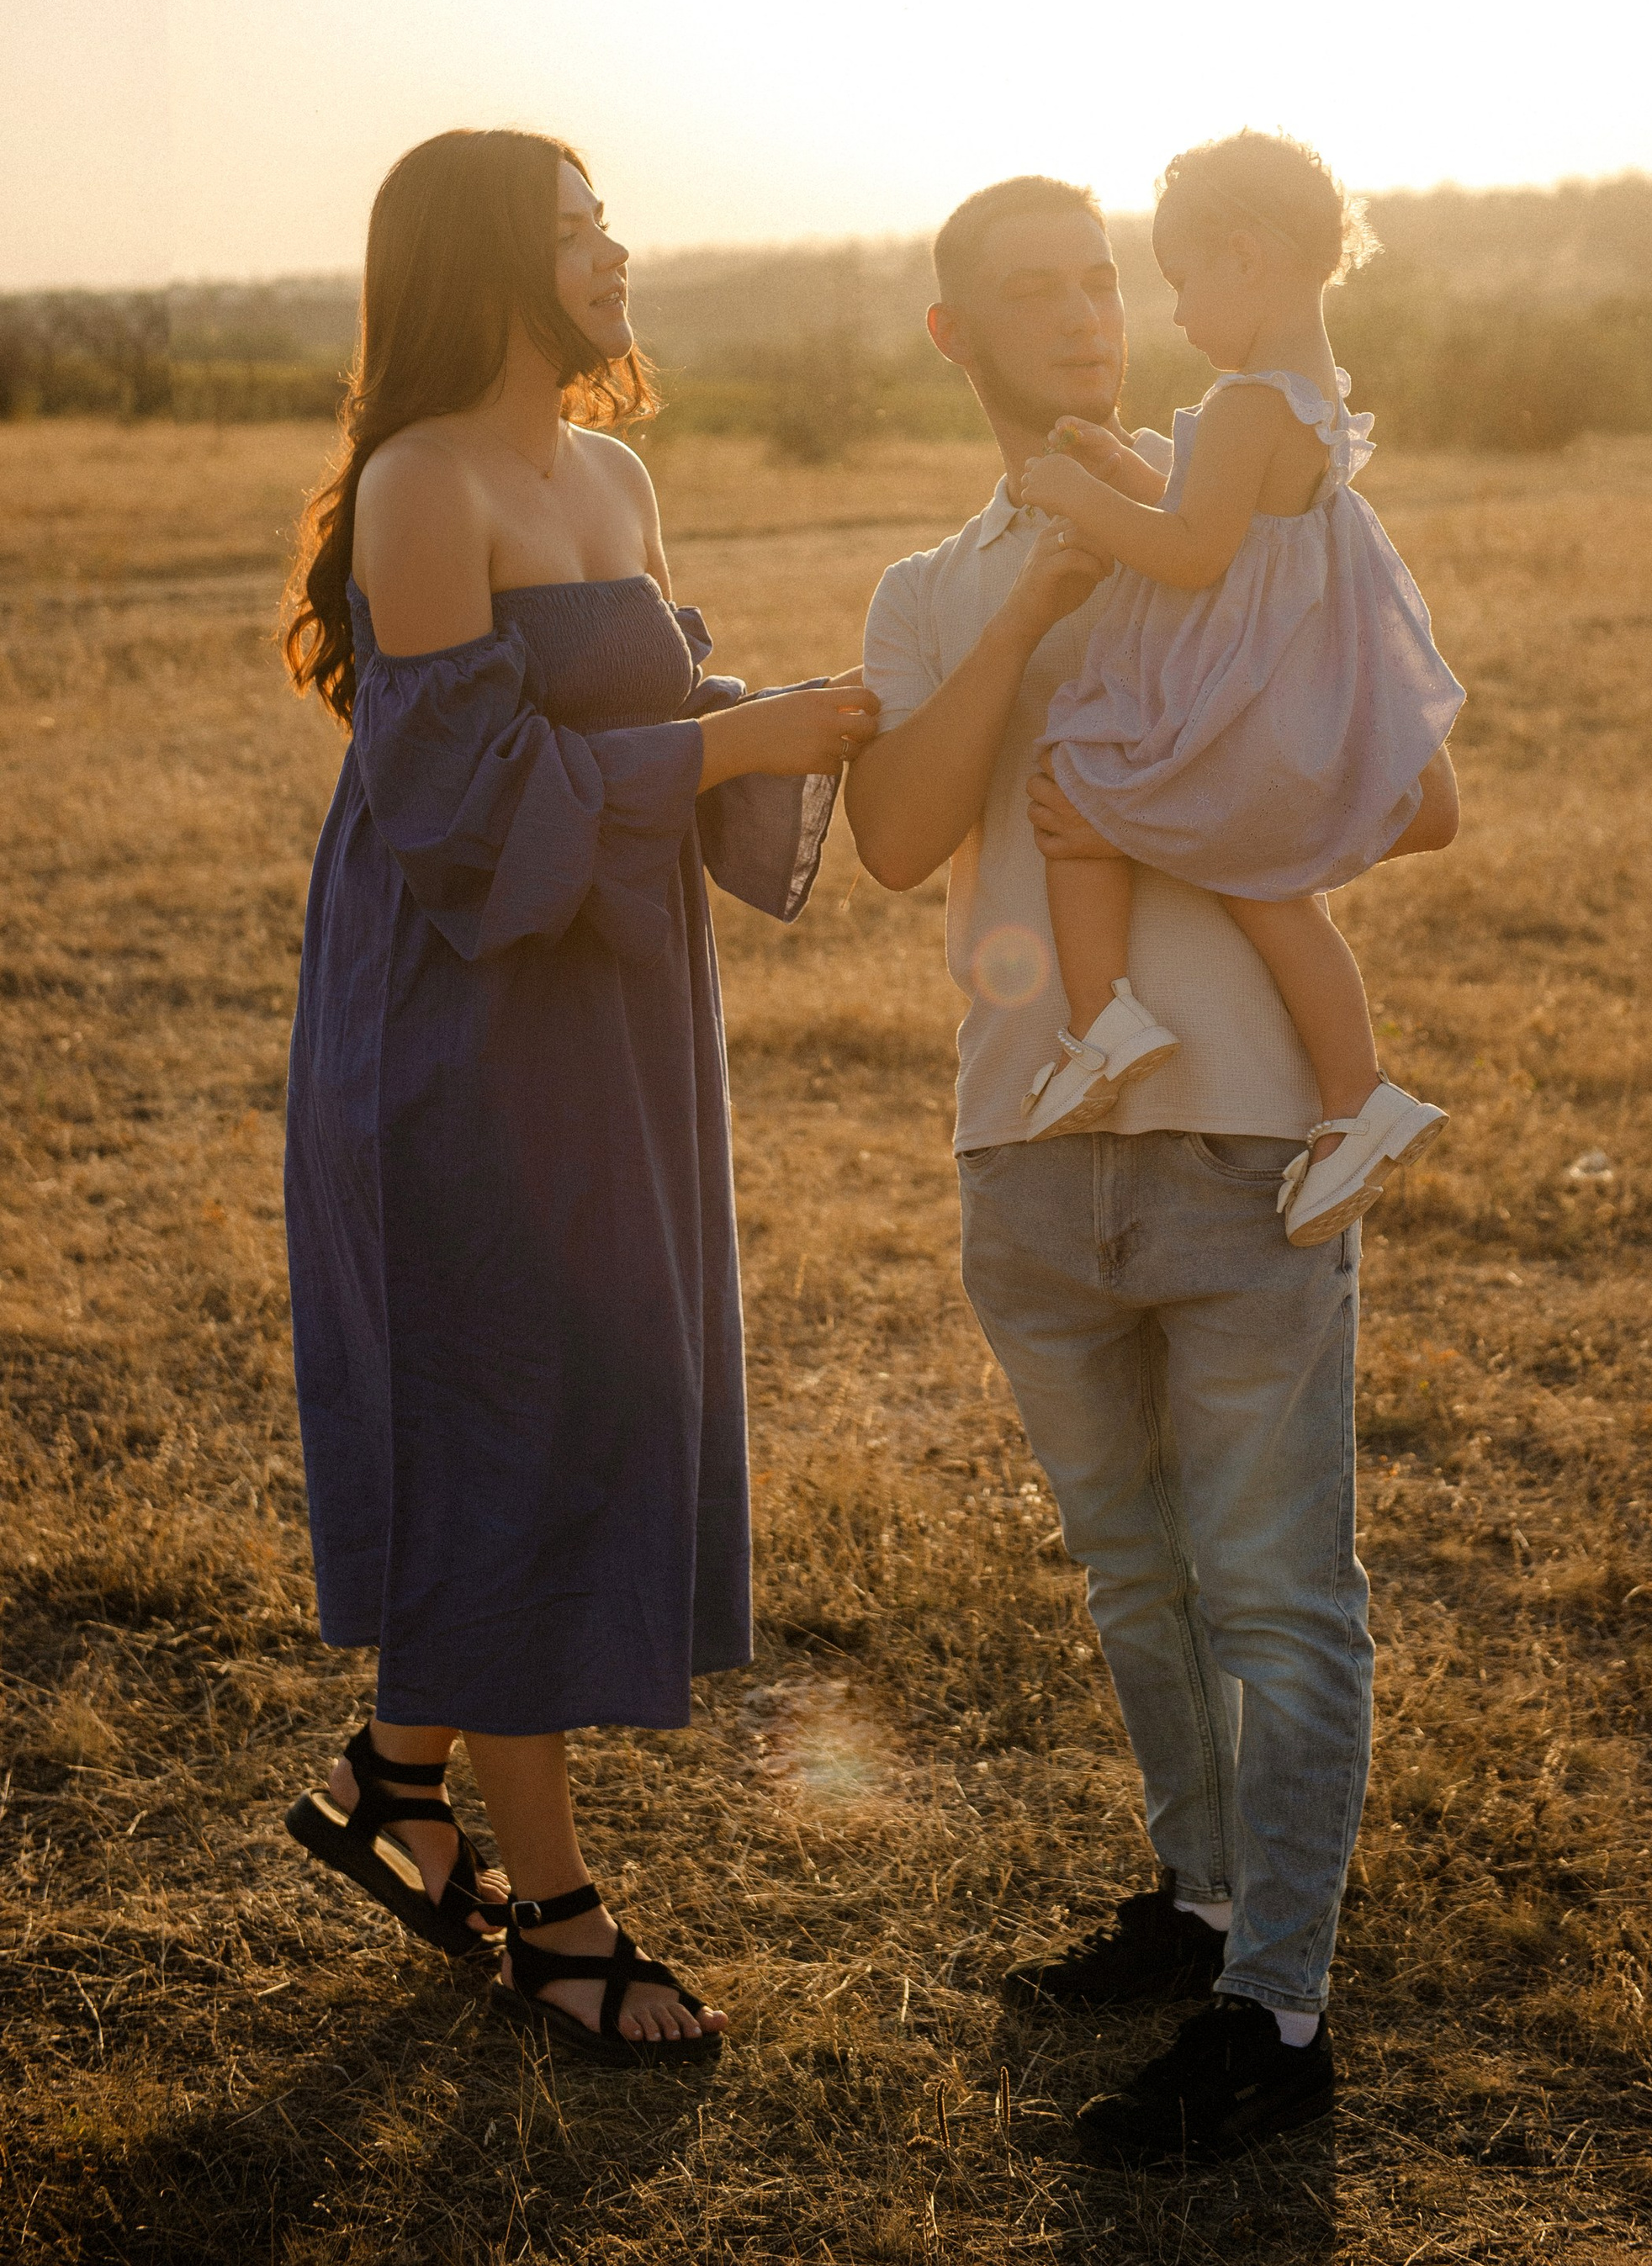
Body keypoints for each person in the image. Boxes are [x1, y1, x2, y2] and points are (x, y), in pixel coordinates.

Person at [845, 173, 1459, 2166]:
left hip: (1242, 1135)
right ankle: (1193, 1907)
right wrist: (1038, 583)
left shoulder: (1259, 514)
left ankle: (1274, 2009)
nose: (1092, 313)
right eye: (1036, 291)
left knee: (1274, 1591)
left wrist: (1224, 759)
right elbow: (892, 834)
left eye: (1105, 276)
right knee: (1133, 1583)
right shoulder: (932, 583)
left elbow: (1419, 790)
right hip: (1027, 1142)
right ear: (955, 333)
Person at [277, 127, 877, 2067]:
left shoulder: (611, 472)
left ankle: (391, 1778)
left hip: (617, 1001)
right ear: (485, 263)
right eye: (573, 228)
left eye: (608, 219)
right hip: (465, 1013)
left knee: (605, 1372)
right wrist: (733, 746)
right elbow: (456, 814)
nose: (614, 250)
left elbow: (638, 724)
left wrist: (821, 719)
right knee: (514, 1407)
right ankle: (550, 1912)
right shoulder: (422, 487)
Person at [1012, 130, 1462, 1247]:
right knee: (1269, 893)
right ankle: (1356, 1097)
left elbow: (1193, 554)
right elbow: (1217, 513)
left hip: (1238, 695)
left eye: (1179, 281)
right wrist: (1128, 472)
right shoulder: (1309, 398)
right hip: (1283, 694)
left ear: (1245, 257)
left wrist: (1075, 491)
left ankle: (1101, 1020)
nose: (1171, 314)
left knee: (1074, 782)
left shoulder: (1251, 399)